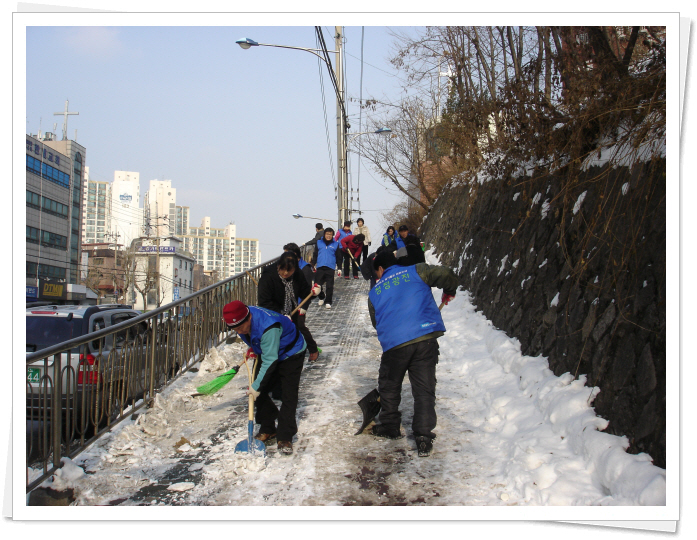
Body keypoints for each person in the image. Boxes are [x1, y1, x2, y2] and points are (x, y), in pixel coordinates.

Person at [367, 251, 459, 457]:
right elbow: (447, 274)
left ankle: (390, 426)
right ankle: (424, 437)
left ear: (380, 269)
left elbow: (376, 322)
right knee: (424, 387)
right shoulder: (417, 270)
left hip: (394, 344)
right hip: (424, 338)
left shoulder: (374, 293)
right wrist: (449, 290)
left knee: (389, 385)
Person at [222, 300, 307, 455]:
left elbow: (270, 360)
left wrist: (257, 386)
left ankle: (285, 436)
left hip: (292, 352)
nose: (239, 331)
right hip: (270, 351)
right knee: (258, 390)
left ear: (249, 317)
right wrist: (254, 347)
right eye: (235, 329)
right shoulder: (241, 320)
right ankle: (268, 428)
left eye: (240, 327)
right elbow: (256, 339)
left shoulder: (268, 326)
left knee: (288, 394)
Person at [258, 251, 321, 362]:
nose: (286, 273)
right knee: (276, 340)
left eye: (289, 270)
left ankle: (295, 358)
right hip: (272, 315)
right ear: (278, 266)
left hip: (292, 312)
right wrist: (280, 314)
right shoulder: (268, 276)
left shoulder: (297, 274)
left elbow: (305, 292)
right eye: (283, 269)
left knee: (295, 336)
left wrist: (314, 292)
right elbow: (264, 302)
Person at [311, 227, 341, 309]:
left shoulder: (335, 244)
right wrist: (313, 264)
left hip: (330, 267)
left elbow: (338, 257)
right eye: (327, 234)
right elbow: (315, 254)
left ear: (332, 235)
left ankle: (328, 301)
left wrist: (339, 268)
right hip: (320, 266)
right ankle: (321, 297)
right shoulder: (319, 243)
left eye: (330, 234)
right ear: (324, 234)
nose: (328, 236)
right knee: (317, 284)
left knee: (329, 286)